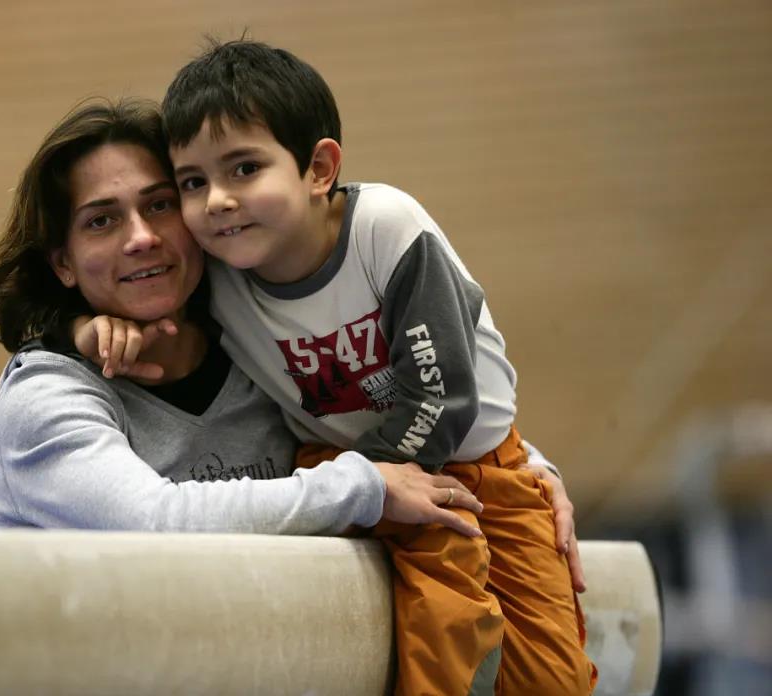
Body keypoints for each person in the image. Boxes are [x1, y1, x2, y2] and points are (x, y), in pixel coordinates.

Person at [152, 40, 596, 695]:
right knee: (442, 635)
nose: (216, 200)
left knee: (551, 682)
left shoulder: (384, 229)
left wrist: (383, 482)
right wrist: (86, 328)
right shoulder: (212, 277)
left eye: (244, 168)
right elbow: (115, 297)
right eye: (193, 182)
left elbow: (441, 398)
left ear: (318, 168)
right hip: (340, 470)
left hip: (475, 467)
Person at [0, 97, 487, 538]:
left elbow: (390, 407)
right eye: (102, 220)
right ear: (63, 262)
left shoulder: (254, 343)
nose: (141, 238)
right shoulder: (43, 395)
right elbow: (150, 522)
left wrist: (516, 466)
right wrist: (364, 486)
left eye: (160, 205)